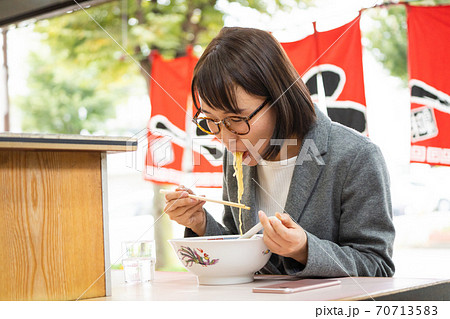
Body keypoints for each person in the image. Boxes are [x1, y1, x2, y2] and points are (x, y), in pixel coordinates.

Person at [163, 27, 395, 277]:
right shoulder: (237, 154)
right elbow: (240, 245)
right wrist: (200, 223)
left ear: (279, 98)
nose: (225, 138)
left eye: (236, 119)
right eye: (211, 120)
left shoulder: (355, 156)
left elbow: (377, 265)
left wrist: (304, 249)